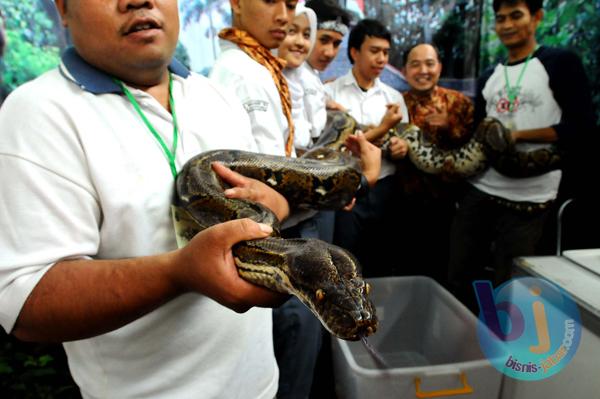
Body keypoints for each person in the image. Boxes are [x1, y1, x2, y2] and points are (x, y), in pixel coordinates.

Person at [0, 0, 294, 397]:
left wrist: (275, 206)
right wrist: (178, 273)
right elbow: (28, 303)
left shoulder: (213, 95)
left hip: (259, 387)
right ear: (63, 10)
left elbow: (265, 201)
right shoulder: (37, 114)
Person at [210, 2, 380, 398]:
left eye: (291, 4)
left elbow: (280, 164)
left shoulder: (265, 67)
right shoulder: (240, 75)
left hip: (288, 231)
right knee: (294, 349)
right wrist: (360, 181)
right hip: (275, 236)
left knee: (301, 345)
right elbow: (255, 191)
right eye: (274, 2)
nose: (286, 17)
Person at [447, 0, 596, 311]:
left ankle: (502, 347)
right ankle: (470, 332)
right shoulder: (491, 74)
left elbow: (580, 126)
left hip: (530, 198)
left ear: (537, 18)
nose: (507, 25)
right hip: (483, 189)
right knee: (463, 273)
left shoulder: (559, 63)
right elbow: (480, 134)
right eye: (500, 18)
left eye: (516, 16)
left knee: (511, 284)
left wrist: (514, 135)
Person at [325, 18, 408, 277]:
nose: (382, 59)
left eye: (385, 52)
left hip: (385, 188)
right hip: (347, 191)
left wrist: (400, 147)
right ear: (354, 52)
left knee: (383, 259)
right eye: (374, 51)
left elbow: (404, 141)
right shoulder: (329, 94)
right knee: (346, 261)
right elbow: (334, 149)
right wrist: (381, 129)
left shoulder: (394, 99)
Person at [392, 43, 474, 284]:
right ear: (405, 71)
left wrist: (452, 128)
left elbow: (476, 149)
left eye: (429, 63)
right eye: (415, 65)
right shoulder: (396, 104)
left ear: (439, 67)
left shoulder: (458, 103)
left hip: (450, 205)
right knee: (405, 268)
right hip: (404, 203)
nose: (423, 70)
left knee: (445, 267)